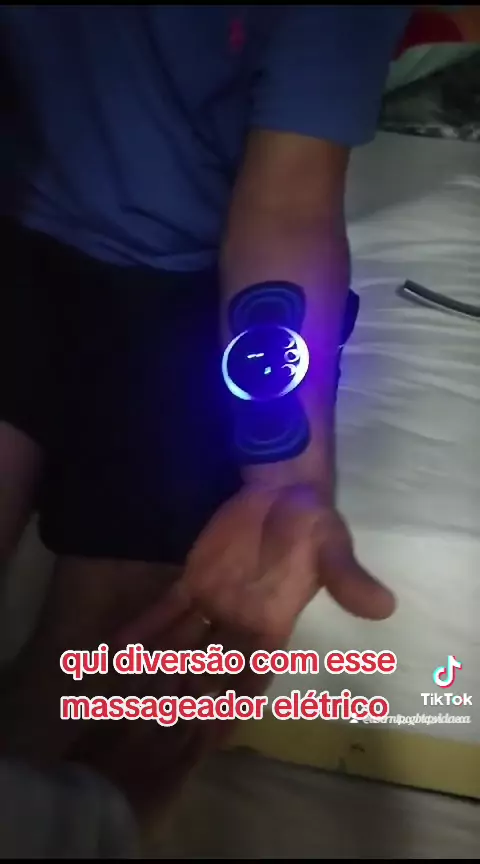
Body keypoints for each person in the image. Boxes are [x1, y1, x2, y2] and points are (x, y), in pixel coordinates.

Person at [0, 6, 412, 761]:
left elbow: (287, 205)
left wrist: (283, 479)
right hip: (23, 238)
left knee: (105, 682)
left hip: (183, 287)